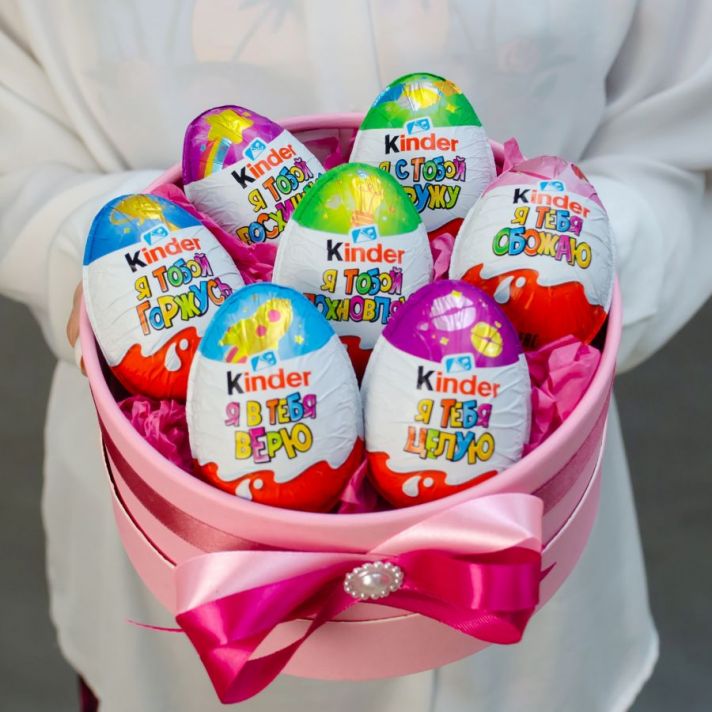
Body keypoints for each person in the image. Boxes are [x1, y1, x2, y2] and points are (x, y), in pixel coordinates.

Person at [2, 1, 711, 710]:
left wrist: (577, 276)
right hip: (196, 572)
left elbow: (678, 135)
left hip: (525, 548)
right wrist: (92, 264)